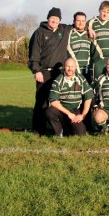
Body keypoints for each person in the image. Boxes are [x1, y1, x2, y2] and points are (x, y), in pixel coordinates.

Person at [28, 7, 72, 135]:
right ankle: (38, 130)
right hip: (44, 73)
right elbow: (34, 54)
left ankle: (59, 128)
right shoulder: (39, 32)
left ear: (60, 20)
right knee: (42, 101)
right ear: (48, 18)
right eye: (52, 18)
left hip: (59, 72)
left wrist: (90, 28)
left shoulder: (63, 30)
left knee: (60, 101)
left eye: (57, 18)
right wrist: (36, 71)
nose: (54, 20)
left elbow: (79, 25)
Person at [46, 58, 93, 136]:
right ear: (64, 67)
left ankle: (68, 128)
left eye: (72, 66)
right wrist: (68, 113)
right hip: (62, 110)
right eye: (68, 66)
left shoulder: (81, 79)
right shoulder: (58, 80)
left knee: (80, 133)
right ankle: (59, 132)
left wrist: (83, 115)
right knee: (49, 112)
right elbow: (53, 101)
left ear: (75, 67)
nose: (70, 69)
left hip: (75, 110)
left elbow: (89, 97)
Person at [88, 1, 109, 80]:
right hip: (97, 60)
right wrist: (88, 28)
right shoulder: (91, 22)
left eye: (108, 12)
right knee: (97, 83)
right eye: (103, 11)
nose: (105, 14)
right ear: (99, 10)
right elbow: (81, 26)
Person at [67, 11, 91, 81]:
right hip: (73, 70)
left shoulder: (90, 33)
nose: (81, 23)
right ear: (74, 21)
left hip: (87, 70)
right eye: (78, 21)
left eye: (83, 21)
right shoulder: (68, 32)